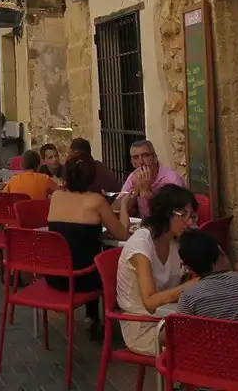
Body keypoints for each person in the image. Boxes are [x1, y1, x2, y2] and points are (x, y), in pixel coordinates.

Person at [47, 153, 131, 338]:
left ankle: (92, 317)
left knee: (83, 256)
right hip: (83, 279)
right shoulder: (96, 201)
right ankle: (119, 318)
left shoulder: (56, 196)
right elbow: (123, 234)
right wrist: (125, 205)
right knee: (105, 266)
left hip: (55, 276)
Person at [116, 184, 200, 355]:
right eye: (183, 215)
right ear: (166, 213)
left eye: (191, 216)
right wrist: (189, 286)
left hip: (169, 316)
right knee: (201, 343)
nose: (189, 222)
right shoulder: (141, 245)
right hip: (142, 326)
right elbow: (150, 302)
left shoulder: (175, 240)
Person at [116, 139, 185, 218]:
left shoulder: (172, 178)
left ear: (155, 158)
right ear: (132, 162)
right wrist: (135, 193)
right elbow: (116, 208)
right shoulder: (133, 177)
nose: (141, 161)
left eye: (145, 155)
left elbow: (175, 215)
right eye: (136, 157)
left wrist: (147, 192)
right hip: (145, 223)